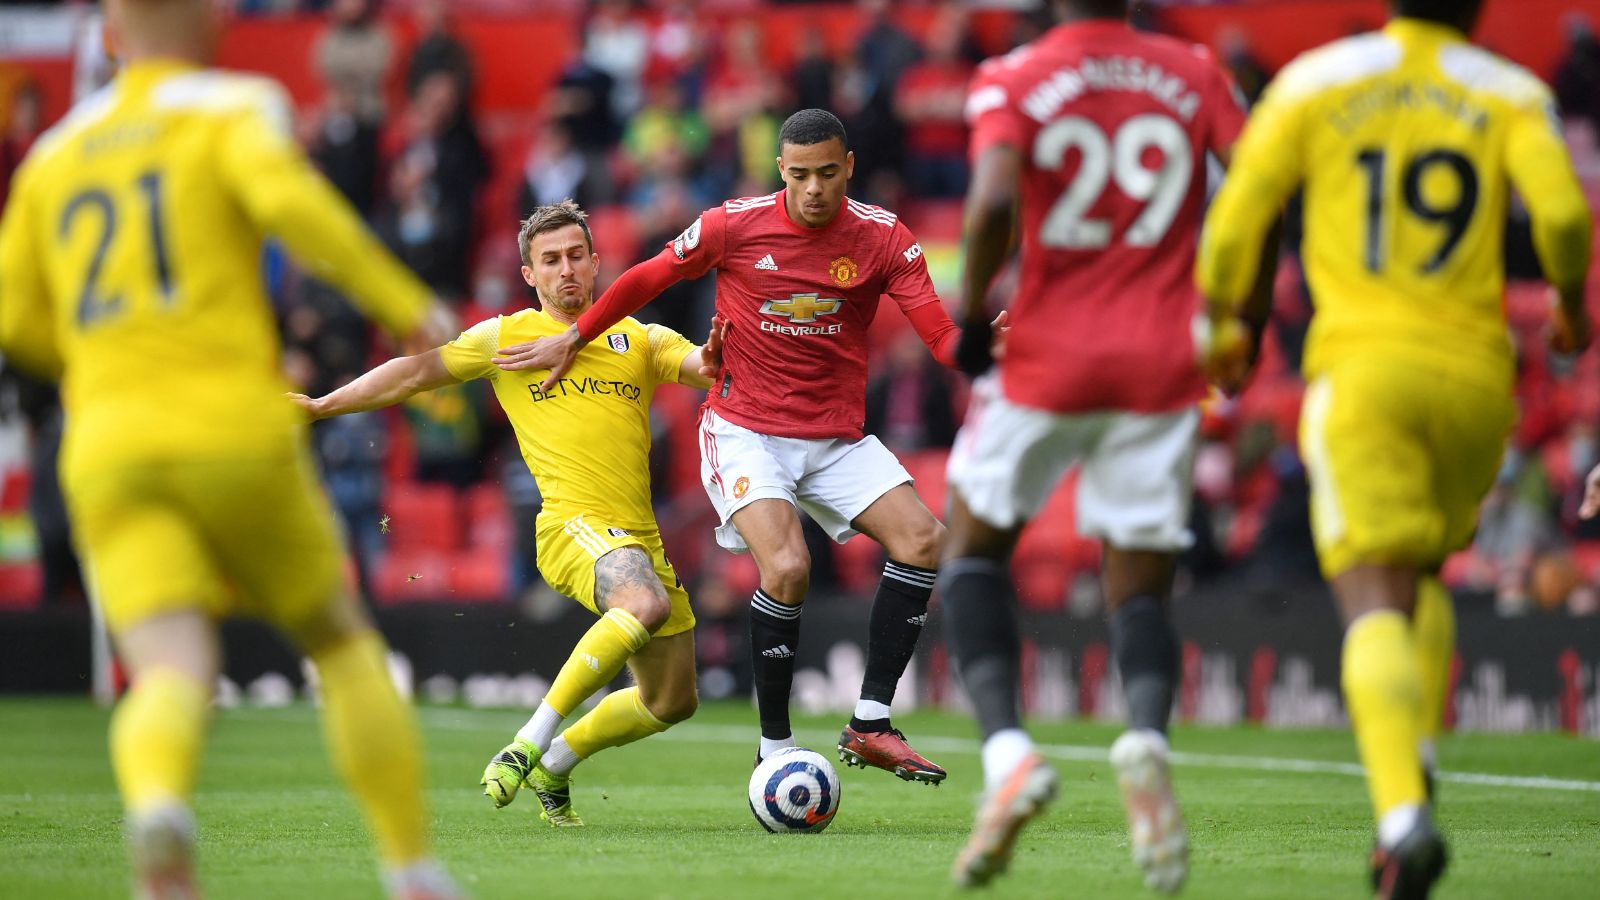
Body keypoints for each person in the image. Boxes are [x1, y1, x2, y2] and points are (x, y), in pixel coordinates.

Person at [0, 1, 460, 897]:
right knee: (337, 638)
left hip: (108, 442)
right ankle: (411, 870)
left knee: (168, 665)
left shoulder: (54, 154)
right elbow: (293, 204)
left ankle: (161, 806)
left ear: (107, 33)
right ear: (214, 16)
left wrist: (103, 365)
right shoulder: (234, 105)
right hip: (231, 425)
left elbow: (15, 317)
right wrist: (408, 302)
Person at [1198, 1, 1592, 897]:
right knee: (1422, 568)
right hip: (1476, 382)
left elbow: (1232, 230)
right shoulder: (1510, 89)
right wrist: (1569, 302)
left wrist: (1228, 323)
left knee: (1372, 585)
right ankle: (1413, 749)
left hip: (1366, 373)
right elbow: (1565, 218)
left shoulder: (1315, 83)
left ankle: (1403, 815)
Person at [496, 109, 1002, 783]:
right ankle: (774, 749)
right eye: (799, 175)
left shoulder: (885, 239)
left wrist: (980, 347)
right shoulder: (733, 224)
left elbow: (940, 340)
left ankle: (870, 724)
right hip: (746, 428)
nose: (814, 188)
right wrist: (576, 333)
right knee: (788, 565)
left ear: (848, 167)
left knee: (924, 540)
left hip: (833, 434)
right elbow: (648, 277)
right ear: (780, 171)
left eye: (827, 173)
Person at [942, 0, 1260, 890]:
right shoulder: (1195, 70)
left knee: (970, 548)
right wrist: (1251, 318)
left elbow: (996, 198)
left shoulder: (1015, 77)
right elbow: (1261, 188)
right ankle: (1147, 742)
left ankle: (1008, 756)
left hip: (1048, 357)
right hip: (1162, 364)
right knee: (1140, 576)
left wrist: (972, 316)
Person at [292, 200, 722, 828]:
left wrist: (716, 356)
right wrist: (322, 405)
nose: (567, 269)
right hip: (568, 526)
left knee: (671, 700)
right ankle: (527, 741)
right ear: (529, 274)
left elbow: (701, 369)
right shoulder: (505, 337)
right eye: (551, 260)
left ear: (598, 264)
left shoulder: (638, 336)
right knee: (643, 605)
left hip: (638, 537)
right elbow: (415, 373)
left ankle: (557, 759)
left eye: (577, 256)